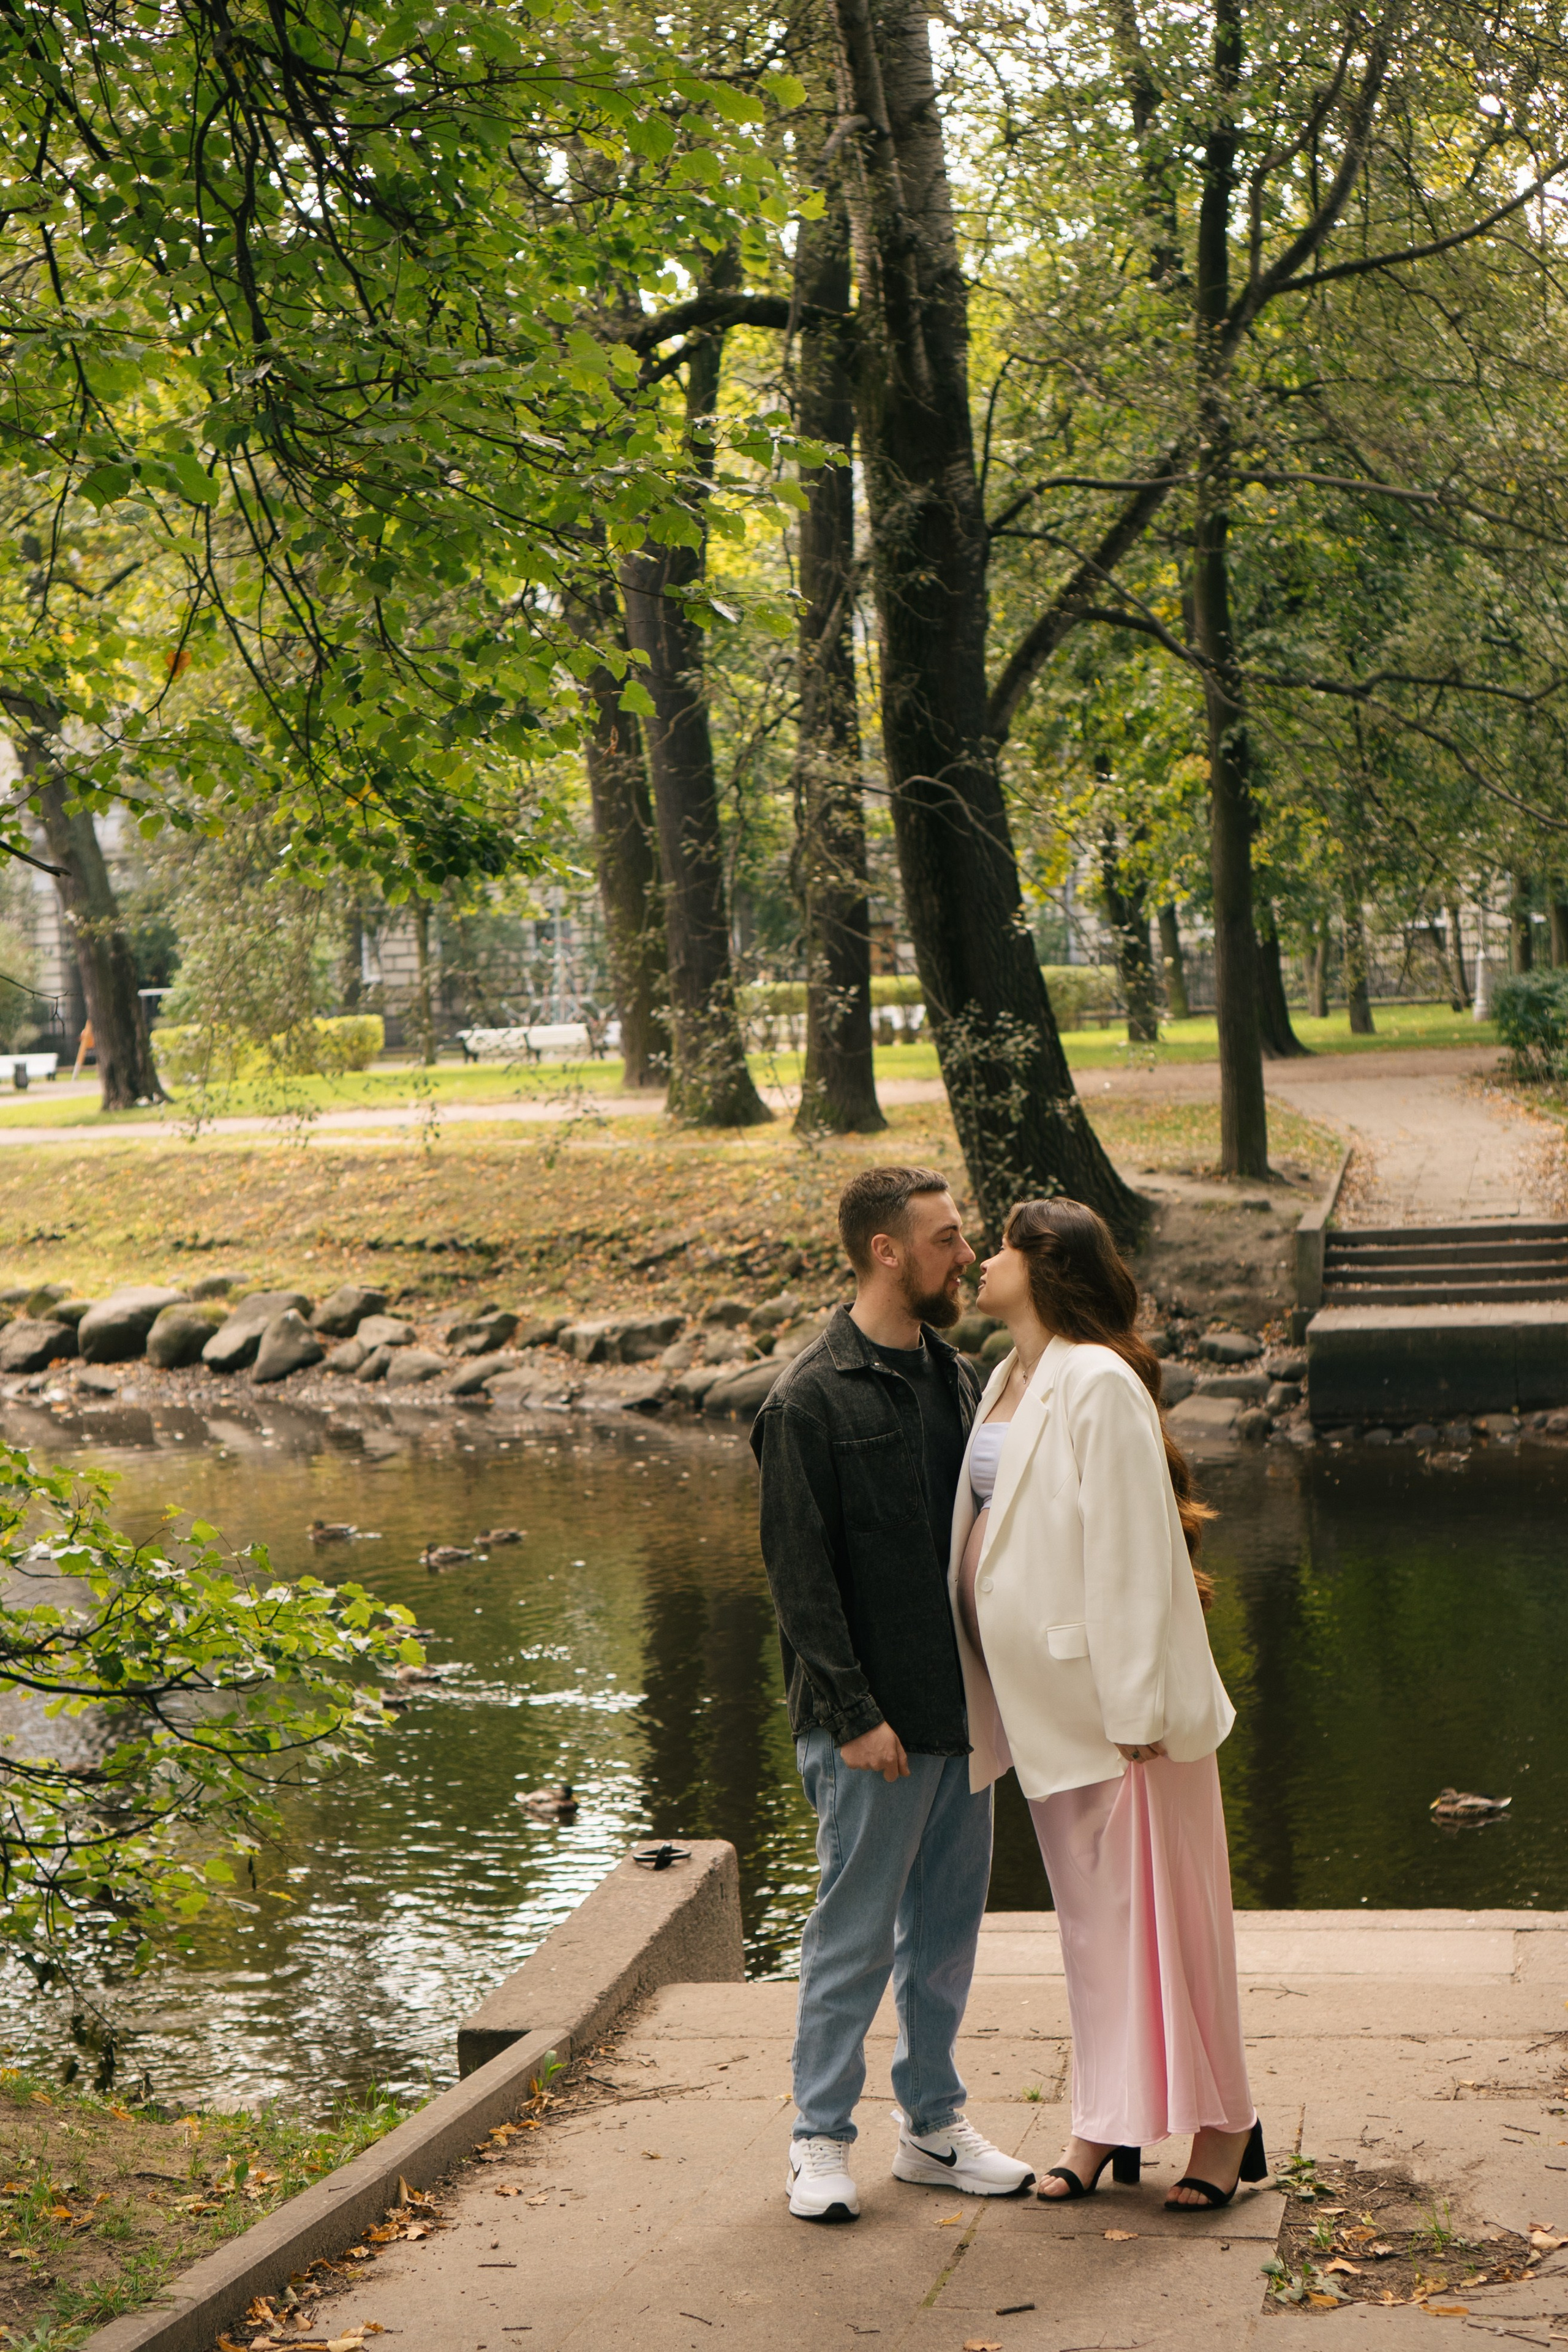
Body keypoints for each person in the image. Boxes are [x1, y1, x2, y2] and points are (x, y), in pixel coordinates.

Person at [950, 1197, 1265, 2212]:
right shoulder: (1011, 1374)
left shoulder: (1097, 1382)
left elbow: (1136, 1549)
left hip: (1122, 1718)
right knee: (1094, 1934)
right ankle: (1106, 2121)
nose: (981, 1263)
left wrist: (1136, 1707)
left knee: (1172, 1925)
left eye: (997, 1246)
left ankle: (1225, 2128)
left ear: (1043, 1267)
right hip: (1045, 1708)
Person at [752, 1166, 1036, 2223]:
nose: (965, 1256)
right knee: (854, 1935)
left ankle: (931, 2127)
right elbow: (800, 1581)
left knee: (948, 1933)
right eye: (948, 1239)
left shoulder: (960, 1379)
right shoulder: (808, 1399)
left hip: (967, 1714)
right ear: (887, 1251)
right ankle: (819, 2140)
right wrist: (855, 1715)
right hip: (871, 1727)